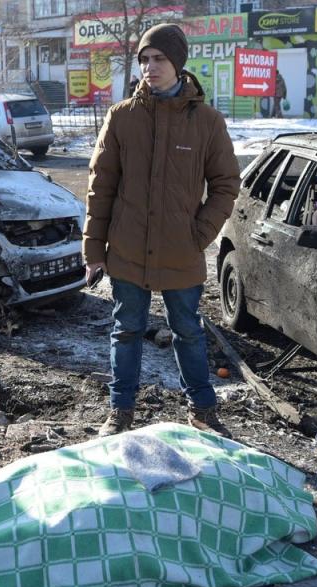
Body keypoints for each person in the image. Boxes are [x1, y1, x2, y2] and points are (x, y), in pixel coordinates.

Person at [83, 23, 241, 438]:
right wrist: (94, 250)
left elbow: (226, 185)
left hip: (181, 251)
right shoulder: (122, 118)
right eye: (144, 60)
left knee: (189, 331)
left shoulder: (206, 122)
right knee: (127, 329)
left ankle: (203, 411)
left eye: (159, 59)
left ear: (178, 64)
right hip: (129, 250)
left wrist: (199, 235)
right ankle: (120, 411)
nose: (150, 68)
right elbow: (101, 188)